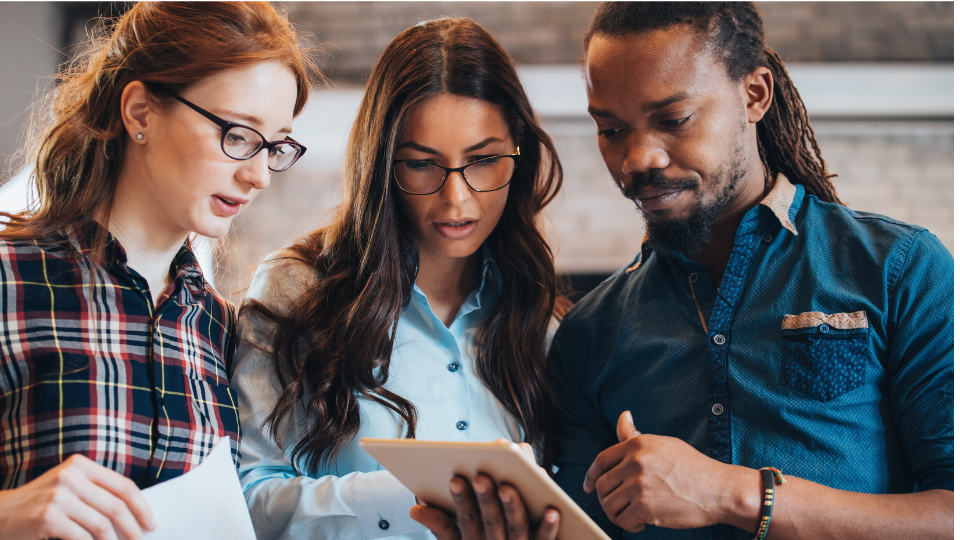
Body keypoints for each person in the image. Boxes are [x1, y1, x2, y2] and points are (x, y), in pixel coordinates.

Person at [543, 2, 952, 540]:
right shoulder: (588, 334)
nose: (638, 158)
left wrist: (728, 493)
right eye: (612, 129)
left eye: (673, 119)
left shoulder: (899, 270)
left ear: (754, 94)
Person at [230, 17, 568, 540]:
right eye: (421, 165)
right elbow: (247, 498)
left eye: (482, 161)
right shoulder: (297, 290)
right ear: (383, 165)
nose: (456, 198)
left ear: (518, 157)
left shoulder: (539, 324)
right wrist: (415, 493)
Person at [0, 3, 314, 540]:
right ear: (141, 112)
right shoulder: (10, 278)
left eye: (275, 146)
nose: (259, 174)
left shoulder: (223, 327)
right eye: (237, 135)